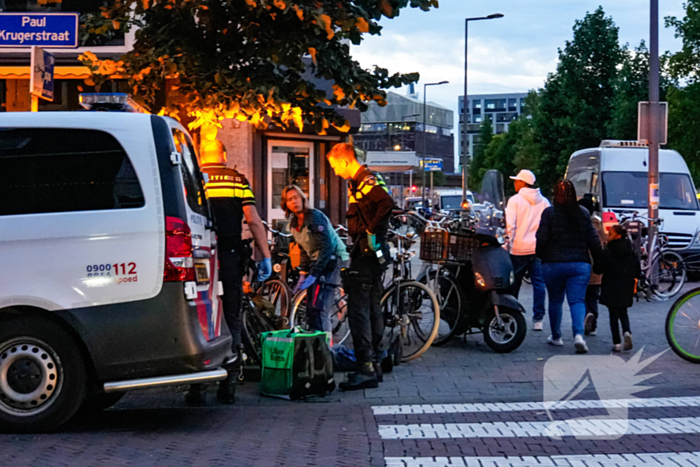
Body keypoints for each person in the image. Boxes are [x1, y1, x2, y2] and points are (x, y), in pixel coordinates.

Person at [186, 128, 272, 406]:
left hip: (197, 259)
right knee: (232, 317)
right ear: (224, 156)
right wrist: (265, 255)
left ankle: (198, 388)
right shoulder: (237, 180)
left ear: (201, 156)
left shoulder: (192, 179)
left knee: (199, 319)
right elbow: (253, 220)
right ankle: (229, 385)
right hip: (229, 257)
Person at [326, 143, 394, 391]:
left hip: (366, 251)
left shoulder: (365, 180)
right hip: (373, 250)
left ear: (344, 162)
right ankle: (375, 361)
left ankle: (365, 367)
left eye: (335, 166)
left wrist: (368, 231)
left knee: (359, 310)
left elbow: (386, 203)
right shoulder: (362, 181)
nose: (335, 172)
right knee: (373, 305)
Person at [536, 179, 602, 354]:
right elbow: (593, 240)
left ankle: (556, 336)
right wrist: (599, 261)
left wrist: (542, 256)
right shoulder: (583, 213)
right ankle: (578, 335)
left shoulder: (549, 214)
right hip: (580, 263)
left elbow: (541, 239)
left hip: (553, 263)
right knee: (577, 301)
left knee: (555, 300)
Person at [281, 185, 349, 339]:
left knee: (320, 309)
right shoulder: (293, 224)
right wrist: (303, 274)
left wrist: (314, 274)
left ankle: (326, 349)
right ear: (285, 204)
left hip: (334, 259)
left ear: (302, 199)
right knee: (311, 309)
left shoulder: (314, 217)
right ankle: (315, 344)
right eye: (290, 200)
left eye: (296, 197)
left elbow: (326, 248)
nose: (294, 202)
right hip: (319, 262)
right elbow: (304, 249)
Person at [505, 169, 550, 331]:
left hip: (518, 248)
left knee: (514, 283)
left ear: (523, 183)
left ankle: (511, 313)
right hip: (538, 249)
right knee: (539, 284)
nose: (514, 183)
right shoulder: (544, 201)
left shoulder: (515, 201)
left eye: (517, 180)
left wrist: (506, 245)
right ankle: (538, 319)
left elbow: (511, 225)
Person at [593, 224, 640, 352]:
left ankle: (617, 342)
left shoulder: (609, 250)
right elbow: (637, 269)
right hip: (626, 284)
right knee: (623, 311)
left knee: (613, 314)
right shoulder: (630, 249)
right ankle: (627, 331)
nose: (608, 236)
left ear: (617, 235)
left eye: (610, 234)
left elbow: (598, 269)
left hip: (611, 284)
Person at [579, 195, 606, 336]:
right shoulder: (598, 224)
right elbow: (604, 243)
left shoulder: (579, 224)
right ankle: (593, 322)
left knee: (581, 296)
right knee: (593, 296)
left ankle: (585, 317)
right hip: (596, 269)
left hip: (582, 265)